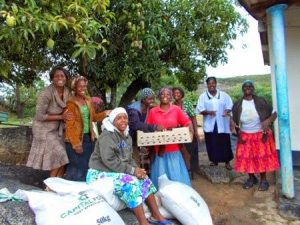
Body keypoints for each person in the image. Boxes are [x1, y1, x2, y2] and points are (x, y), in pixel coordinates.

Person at [87, 107, 172, 225]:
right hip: (100, 172)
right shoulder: (107, 136)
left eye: (125, 118)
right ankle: (143, 222)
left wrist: (138, 170)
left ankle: (156, 215)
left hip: (116, 170)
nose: (123, 121)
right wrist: (132, 171)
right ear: (112, 121)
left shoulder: (126, 135)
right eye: (119, 118)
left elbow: (128, 158)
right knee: (130, 182)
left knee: (144, 178)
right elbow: (109, 160)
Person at [231, 80, 280, 191]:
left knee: (261, 157)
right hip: (245, 135)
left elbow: (275, 114)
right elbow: (232, 117)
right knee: (247, 158)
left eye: (250, 86)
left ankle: (263, 180)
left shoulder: (261, 101)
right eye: (245, 86)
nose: (248, 88)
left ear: (253, 89)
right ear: (242, 89)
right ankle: (252, 178)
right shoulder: (238, 104)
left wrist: (268, 121)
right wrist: (233, 126)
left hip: (260, 134)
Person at [26, 66, 72, 178]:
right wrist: (62, 116)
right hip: (43, 129)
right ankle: (50, 185)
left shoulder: (67, 92)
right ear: (52, 78)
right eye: (56, 76)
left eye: (62, 76)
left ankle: (57, 185)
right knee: (61, 154)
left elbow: (69, 108)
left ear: (66, 78)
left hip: (58, 129)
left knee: (64, 159)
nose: (59, 78)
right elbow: (39, 115)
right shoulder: (46, 93)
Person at [64, 76, 111, 181]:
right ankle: (72, 192)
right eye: (80, 86)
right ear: (74, 87)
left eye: (84, 86)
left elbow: (93, 118)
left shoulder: (88, 100)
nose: (83, 89)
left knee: (86, 167)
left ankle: (83, 193)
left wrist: (105, 113)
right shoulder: (71, 103)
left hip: (88, 138)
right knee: (76, 168)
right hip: (75, 139)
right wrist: (76, 144)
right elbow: (69, 126)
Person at [146, 87, 193, 188]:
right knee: (161, 180)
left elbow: (187, 122)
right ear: (158, 96)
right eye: (162, 94)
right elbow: (148, 127)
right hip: (159, 151)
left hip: (174, 150)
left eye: (168, 94)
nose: (165, 96)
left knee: (176, 179)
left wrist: (191, 131)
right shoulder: (153, 111)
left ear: (171, 97)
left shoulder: (176, 109)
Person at [196, 77, 233, 170]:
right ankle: (214, 160)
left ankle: (227, 162)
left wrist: (227, 111)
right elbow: (200, 109)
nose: (211, 85)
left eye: (213, 83)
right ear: (207, 85)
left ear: (216, 84)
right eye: (209, 83)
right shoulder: (203, 96)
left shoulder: (224, 95)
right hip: (210, 124)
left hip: (222, 123)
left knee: (225, 142)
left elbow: (230, 106)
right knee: (211, 142)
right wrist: (208, 112)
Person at [126, 88, 164, 173]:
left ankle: (148, 175)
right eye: (149, 99)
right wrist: (154, 127)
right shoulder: (134, 110)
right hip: (132, 138)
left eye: (153, 98)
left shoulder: (148, 108)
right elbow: (136, 125)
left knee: (149, 157)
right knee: (135, 160)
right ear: (143, 99)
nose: (152, 101)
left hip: (143, 137)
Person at [172, 87, 200, 177]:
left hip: (189, 131)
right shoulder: (172, 105)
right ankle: (183, 170)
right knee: (180, 151)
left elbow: (193, 117)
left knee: (190, 151)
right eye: (174, 93)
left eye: (178, 93)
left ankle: (191, 170)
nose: (176, 94)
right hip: (177, 132)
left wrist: (195, 131)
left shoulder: (187, 103)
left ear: (182, 94)